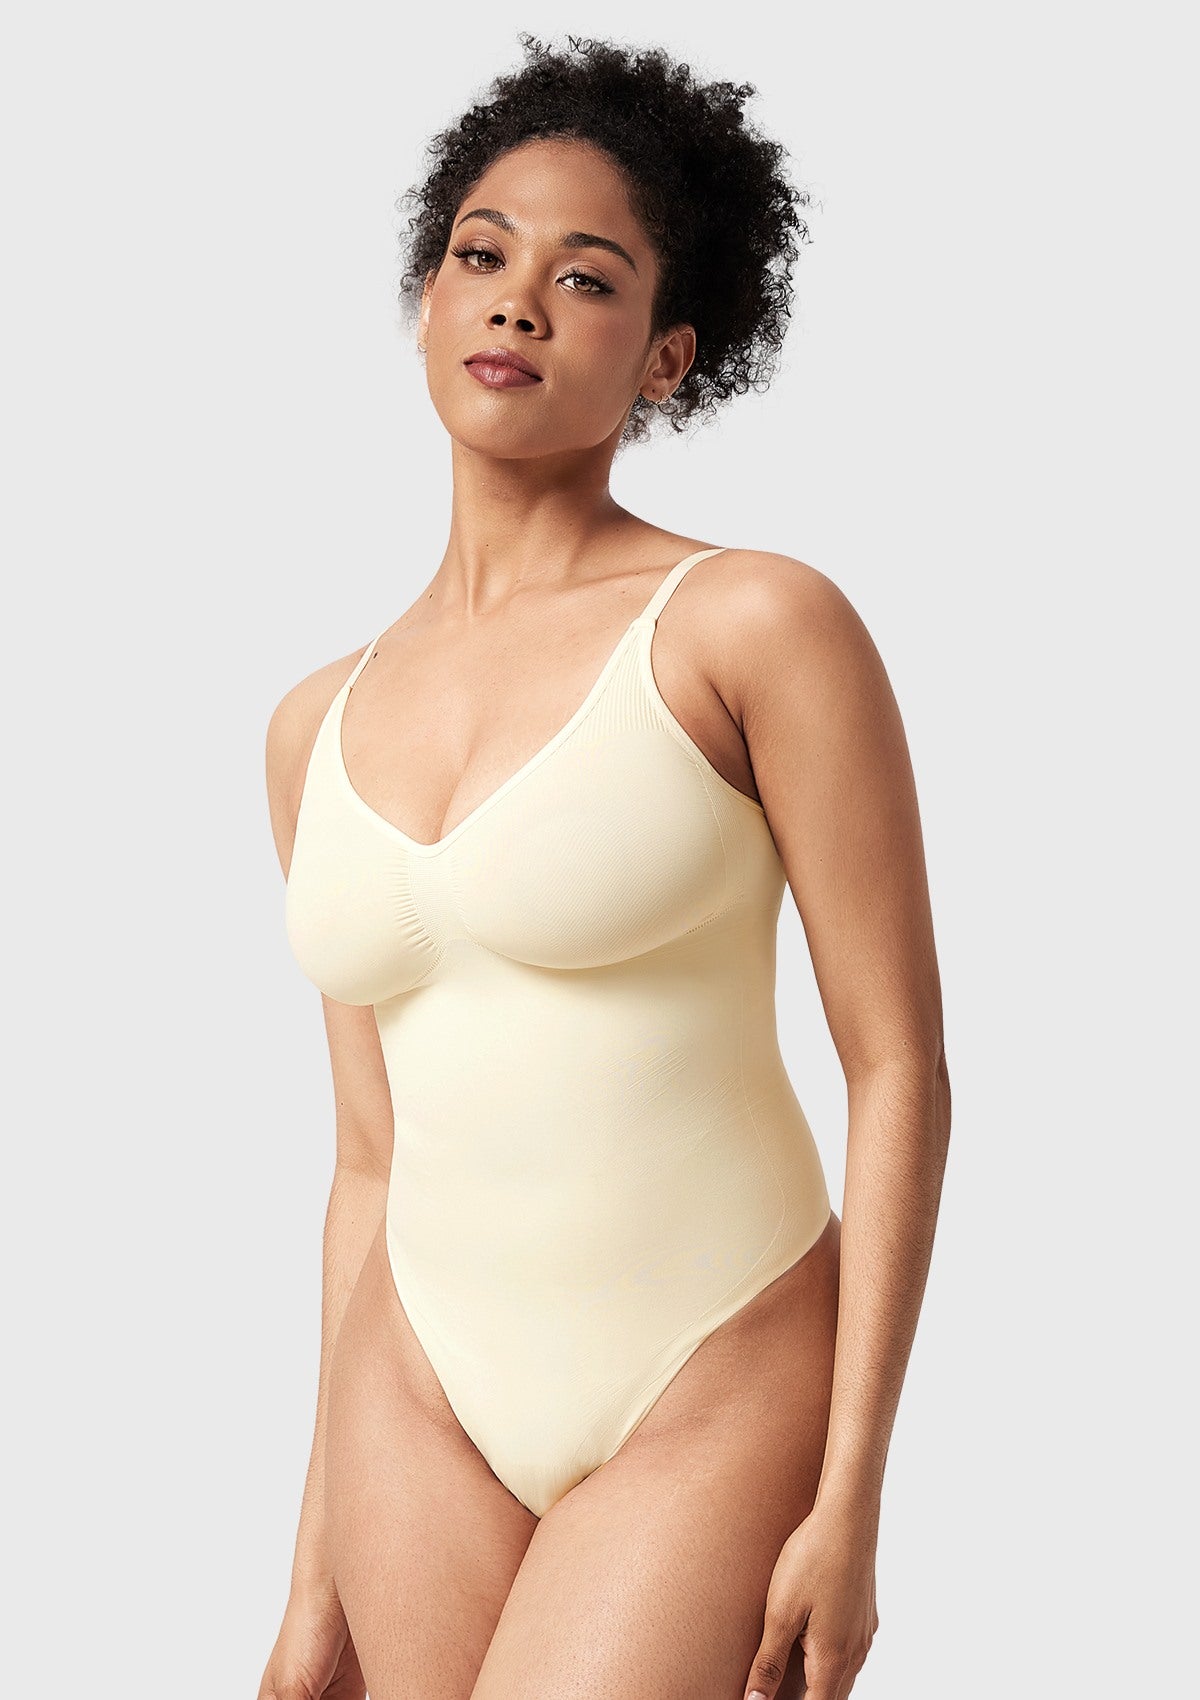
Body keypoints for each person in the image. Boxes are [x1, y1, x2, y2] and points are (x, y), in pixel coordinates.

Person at [258, 34, 951, 1700]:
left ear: (666, 358)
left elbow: (897, 1065)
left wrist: (855, 1494)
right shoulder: (310, 726)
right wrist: (312, 1573)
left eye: (586, 279)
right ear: (427, 301)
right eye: (480, 256)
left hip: (710, 1370)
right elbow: (369, 1163)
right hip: (414, 1391)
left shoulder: (752, 624)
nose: (517, 303)